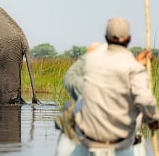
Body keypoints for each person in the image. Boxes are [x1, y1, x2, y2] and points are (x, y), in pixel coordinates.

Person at [56, 17, 159, 155]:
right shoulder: (134, 69)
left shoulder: (92, 60)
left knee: (70, 109)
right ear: (128, 39)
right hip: (121, 143)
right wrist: (153, 120)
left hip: (89, 141)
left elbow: (70, 78)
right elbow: (145, 100)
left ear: (106, 38)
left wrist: (91, 52)